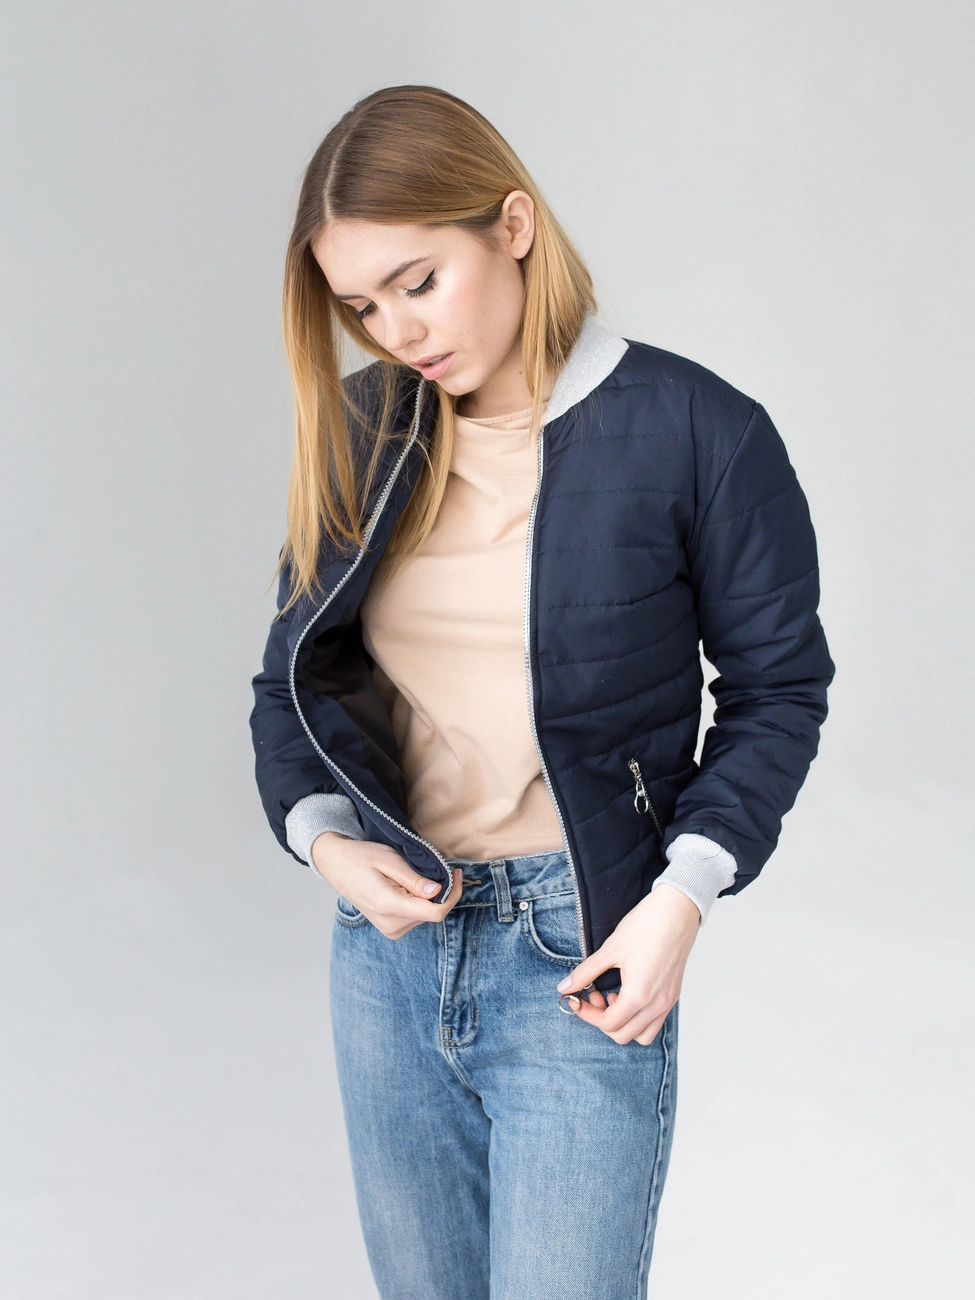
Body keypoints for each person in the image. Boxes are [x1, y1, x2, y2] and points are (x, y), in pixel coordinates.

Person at [250, 84, 834, 1299]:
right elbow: (291, 681)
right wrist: (327, 845)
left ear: (511, 226)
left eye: (419, 281)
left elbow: (779, 688)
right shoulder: (366, 432)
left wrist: (679, 900)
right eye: (361, 307)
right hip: (390, 956)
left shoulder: (698, 429)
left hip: (582, 952)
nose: (397, 332)